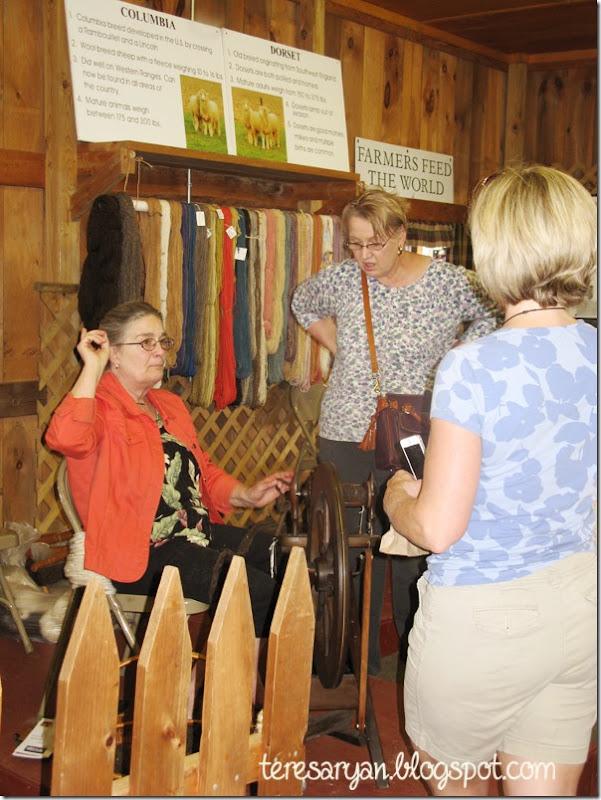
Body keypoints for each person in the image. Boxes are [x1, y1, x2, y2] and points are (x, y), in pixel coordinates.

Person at [383, 165, 597, 795]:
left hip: (485, 619)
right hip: (583, 605)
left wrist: (398, 495)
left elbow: (440, 527)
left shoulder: (473, 365)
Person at [291, 187, 500, 675]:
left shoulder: (448, 282)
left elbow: (493, 310)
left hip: (417, 430)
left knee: (411, 543)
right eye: (356, 244)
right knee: (346, 546)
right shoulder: (344, 280)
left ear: (402, 235)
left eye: (376, 244)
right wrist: (342, 347)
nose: (364, 256)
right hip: (346, 429)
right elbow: (303, 301)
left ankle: (412, 654)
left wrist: (454, 360)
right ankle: (347, 655)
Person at [45, 300, 292, 642]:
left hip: (194, 533)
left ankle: (252, 671)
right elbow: (64, 438)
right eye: (146, 342)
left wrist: (247, 494)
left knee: (285, 560)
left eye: (163, 342)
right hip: (140, 553)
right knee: (259, 591)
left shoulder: (169, 405)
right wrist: (91, 366)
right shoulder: (98, 408)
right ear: (113, 353)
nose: (160, 352)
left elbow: (200, 470)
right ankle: (260, 675)